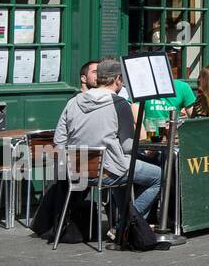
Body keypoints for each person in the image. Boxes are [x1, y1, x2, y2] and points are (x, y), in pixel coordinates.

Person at [54, 57, 161, 219]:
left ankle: (125, 225)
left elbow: (59, 140)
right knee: (159, 176)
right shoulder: (120, 104)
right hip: (108, 171)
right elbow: (127, 146)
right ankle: (124, 225)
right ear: (117, 79)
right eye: (122, 80)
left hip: (77, 171)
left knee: (121, 167)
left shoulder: (73, 102)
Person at [141, 49, 196, 132]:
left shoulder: (182, 87)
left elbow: (193, 119)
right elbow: (135, 120)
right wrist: (144, 140)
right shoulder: (144, 87)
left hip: (174, 137)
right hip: (149, 138)